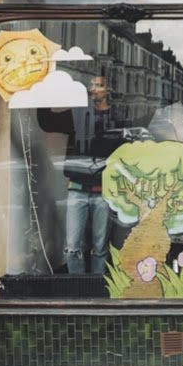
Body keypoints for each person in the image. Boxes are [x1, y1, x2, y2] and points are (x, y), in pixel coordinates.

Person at [37, 104, 115, 274]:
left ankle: (96, 285)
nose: (94, 91)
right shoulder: (78, 114)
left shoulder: (114, 114)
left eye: (98, 87)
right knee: (73, 246)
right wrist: (44, 97)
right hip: (79, 187)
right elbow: (48, 122)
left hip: (103, 189)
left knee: (100, 246)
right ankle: (77, 284)